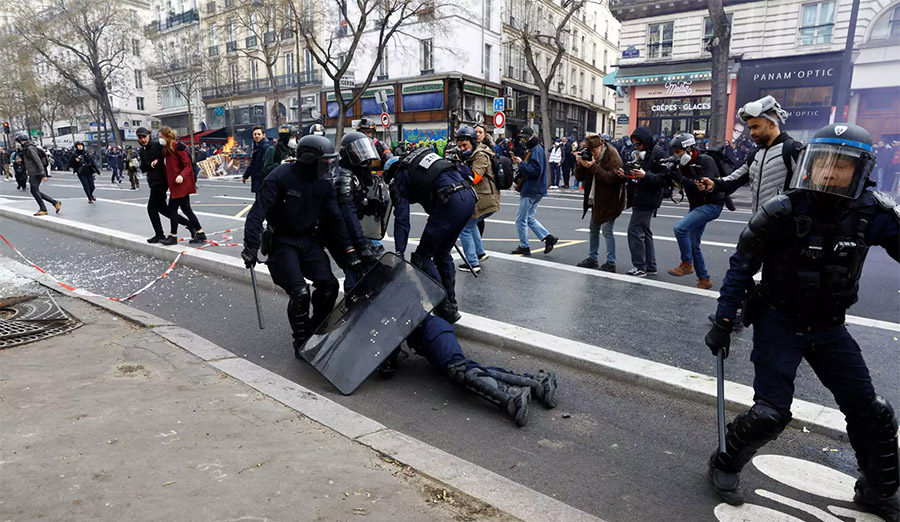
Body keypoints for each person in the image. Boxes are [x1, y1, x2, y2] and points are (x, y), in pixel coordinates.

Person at [704, 123, 900, 521]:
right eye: (823, 163)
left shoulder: (870, 212)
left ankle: (877, 490)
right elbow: (742, 266)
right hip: (779, 322)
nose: (829, 173)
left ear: (859, 171)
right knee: (770, 414)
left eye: (841, 166)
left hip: (829, 327)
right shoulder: (782, 210)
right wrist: (724, 320)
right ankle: (724, 463)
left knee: (872, 411)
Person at [241, 135, 363, 358]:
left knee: (328, 286)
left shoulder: (324, 183)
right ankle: (300, 342)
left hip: (308, 239)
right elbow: (258, 212)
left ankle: (315, 330)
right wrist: (250, 245)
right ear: (309, 159)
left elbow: (336, 219)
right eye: (324, 162)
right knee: (299, 292)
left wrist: (350, 250)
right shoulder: (280, 177)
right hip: (282, 242)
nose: (328, 167)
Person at [402, 314, 557, 427]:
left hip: (429, 327)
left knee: (459, 369)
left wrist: (448, 302)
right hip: (421, 338)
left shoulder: (395, 271)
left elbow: (436, 275)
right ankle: (536, 383)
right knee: (460, 370)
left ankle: (511, 395)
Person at [385, 146, 477, 324]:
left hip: (450, 202)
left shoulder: (401, 177)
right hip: (469, 197)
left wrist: (399, 253)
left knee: (422, 257)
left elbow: (402, 219)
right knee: (443, 253)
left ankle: (444, 307)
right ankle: (451, 302)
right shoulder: (420, 160)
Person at [699, 95, 802, 213]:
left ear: (772, 124)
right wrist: (714, 184)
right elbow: (735, 179)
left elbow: (807, 191)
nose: (752, 133)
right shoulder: (755, 154)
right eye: (750, 128)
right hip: (759, 224)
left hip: (786, 228)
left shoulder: (793, 150)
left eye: (756, 127)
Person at [666, 133, 726, 289]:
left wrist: (678, 176)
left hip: (712, 204)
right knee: (693, 244)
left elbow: (701, 187)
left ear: (689, 148)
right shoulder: (686, 163)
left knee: (680, 229)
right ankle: (704, 279)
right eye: (675, 152)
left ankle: (687, 263)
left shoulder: (706, 161)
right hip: (698, 205)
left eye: (678, 152)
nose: (676, 155)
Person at [574, 134, 624, 272]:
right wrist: (579, 165)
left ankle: (611, 262)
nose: (591, 153)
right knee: (593, 228)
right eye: (589, 150)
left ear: (600, 146)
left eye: (593, 150)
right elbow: (579, 177)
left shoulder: (612, 154)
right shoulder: (588, 155)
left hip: (610, 198)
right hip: (596, 198)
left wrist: (592, 166)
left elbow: (612, 178)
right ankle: (592, 258)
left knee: (607, 230)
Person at [454, 126, 499, 273]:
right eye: (459, 146)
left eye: (464, 145)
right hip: (483, 196)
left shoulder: (480, 155)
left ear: (472, 142)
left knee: (464, 229)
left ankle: (472, 263)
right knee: (472, 225)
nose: (461, 148)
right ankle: (480, 254)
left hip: (485, 198)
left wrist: (459, 165)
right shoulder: (473, 153)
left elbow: (475, 178)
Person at [137, 127, 194, 243]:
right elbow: (144, 168)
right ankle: (189, 224)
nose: (143, 139)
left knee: (151, 208)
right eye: (140, 137)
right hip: (152, 182)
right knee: (164, 210)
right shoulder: (141, 151)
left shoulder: (157, 145)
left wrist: (182, 146)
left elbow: (170, 144)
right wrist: (136, 165)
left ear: (149, 135)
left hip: (161, 181)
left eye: (144, 136)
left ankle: (160, 234)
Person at [623, 126, 667, 277]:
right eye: (634, 144)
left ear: (646, 141)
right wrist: (629, 174)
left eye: (638, 144)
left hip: (648, 198)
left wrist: (644, 175)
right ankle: (650, 266)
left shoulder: (658, 153)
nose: (637, 147)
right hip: (642, 196)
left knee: (634, 230)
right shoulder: (645, 153)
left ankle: (640, 266)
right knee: (645, 231)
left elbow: (664, 178)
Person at [510, 127, 558, 256]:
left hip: (531, 189)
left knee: (521, 219)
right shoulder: (537, 149)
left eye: (526, 138)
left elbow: (535, 171)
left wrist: (521, 163)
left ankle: (524, 246)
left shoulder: (535, 150)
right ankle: (548, 238)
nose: (524, 140)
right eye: (523, 138)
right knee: (529, 217)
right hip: (536, 189)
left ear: (532, 136)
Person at [157, 126, 205, 246]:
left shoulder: (178, 148)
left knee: (172, 209)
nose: (159, 139)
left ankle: (173, 236)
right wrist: (157, 161)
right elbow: (164, 162)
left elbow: (187, 166)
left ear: (167, 137)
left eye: (161, 137)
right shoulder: (166, 149)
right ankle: (200, 232)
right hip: (174, 184)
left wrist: (181, 176)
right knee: (186, 209)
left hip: (180, 184)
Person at [14, 132, 60, 216]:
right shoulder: (27, 148)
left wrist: (43, 174)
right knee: (35, 191)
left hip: (36, 172)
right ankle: (54, 202)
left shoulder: (30, 148)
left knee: (34, 191)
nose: (19, 143)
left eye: (19, 141)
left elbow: (37, 160)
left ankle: (44, 209)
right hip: (34, 172)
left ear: (22, 141)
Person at [242, 125, 271, 196]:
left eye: (259, 134)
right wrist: (246, 175)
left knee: (261, 203)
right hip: (258, 180)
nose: (257, 136)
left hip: (263, 180)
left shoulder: (265, 147)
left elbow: (265, 164)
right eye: (255, 134)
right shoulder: (257, 146)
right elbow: (253, 163)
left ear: (263, 135)